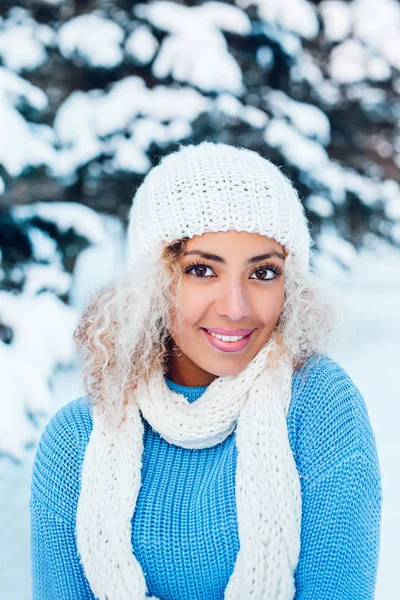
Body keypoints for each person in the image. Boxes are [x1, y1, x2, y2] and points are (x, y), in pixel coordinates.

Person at [30, 142, 382, 600]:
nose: (235, 308)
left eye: (263, 273)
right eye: (201, 270)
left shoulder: (319, 408)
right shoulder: (75, 441)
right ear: (151, 281)